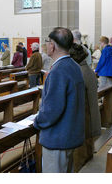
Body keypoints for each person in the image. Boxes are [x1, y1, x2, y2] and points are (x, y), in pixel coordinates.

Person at [34, 27, 85, 173]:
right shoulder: (74, 66)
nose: (46, 44)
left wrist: (38, 121)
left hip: (57, 139)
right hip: (70, 134)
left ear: (53, 45)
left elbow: (52, 110)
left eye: (47, 41)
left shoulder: (58, 71)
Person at [69, 43, 101, 172]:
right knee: (86, 150)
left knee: (80, 157)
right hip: (89, 116)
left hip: (84, 119)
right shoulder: (86, 69)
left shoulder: (80, 72)